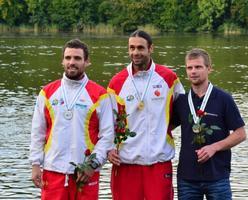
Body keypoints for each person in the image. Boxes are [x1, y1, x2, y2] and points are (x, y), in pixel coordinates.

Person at [29, 39, 114, 200]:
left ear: (87, 62)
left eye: (77, 58)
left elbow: (107, 136)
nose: (72, 62)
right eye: (68, 58)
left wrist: (92, 165)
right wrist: (35, 165)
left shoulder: (100, 95)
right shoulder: (47, 93)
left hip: (85, 172)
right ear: (62, 61)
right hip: (53, 171)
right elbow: (37, 132)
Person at [107, 30, 185, 200]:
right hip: (126, 162)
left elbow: (183, 112)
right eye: (132, 48)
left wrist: (163, 128)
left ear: (151, 49)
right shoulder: (116, 82)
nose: (135, 52)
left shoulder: (169, 78)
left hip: (158, 162)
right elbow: (107, 122)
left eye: (140, 48)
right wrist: (109, 148)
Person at [171, 48, 247, 200]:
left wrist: (214, 147)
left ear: (209, 68)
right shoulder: (181, 101)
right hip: (187, 177)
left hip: (217, 176)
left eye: (198, 67)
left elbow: (241, 134)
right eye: (189, 67)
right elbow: (163, 128)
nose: (193, 71)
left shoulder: (224, 98)